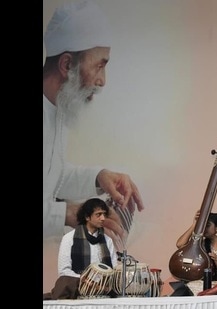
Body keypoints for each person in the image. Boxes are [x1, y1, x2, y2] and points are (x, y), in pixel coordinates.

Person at [43, 0, 145, 249]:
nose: (102, 81)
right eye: (100, 65)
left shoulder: (56, 112)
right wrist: (73, 213)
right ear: (67, 65)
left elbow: (52, 176)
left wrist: (100, 177)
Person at [44, 198, 119, 300]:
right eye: (98, 214)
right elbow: (64, 271)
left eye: (104, 214)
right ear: (87, 217)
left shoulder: (108, 240)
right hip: (76, 289)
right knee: (64, 281)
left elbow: (113, 268)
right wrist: (86, 281)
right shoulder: (69, 238)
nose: (103, 218)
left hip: (102, 291)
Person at [176, 210, 217, 283]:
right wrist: (195, 225)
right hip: (202, 286)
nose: (204, 228)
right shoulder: (201, 245)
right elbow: (180, 245)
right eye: (203, 225)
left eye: (208, 225)